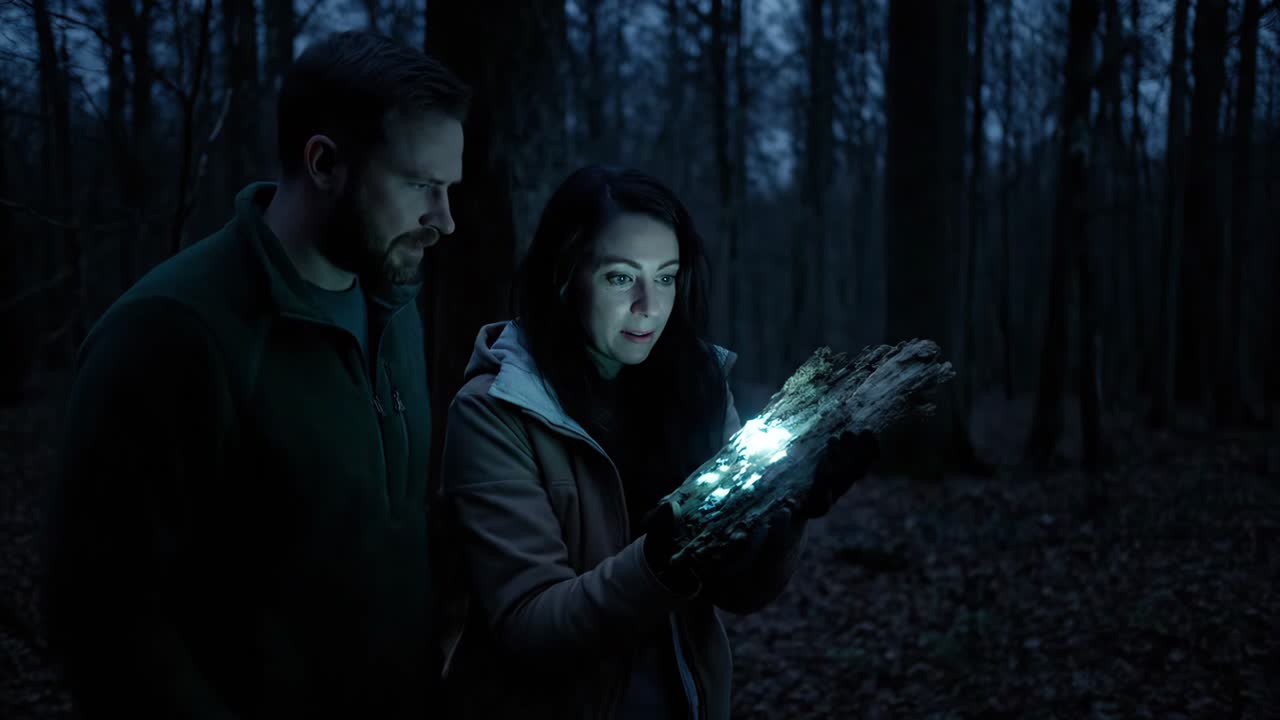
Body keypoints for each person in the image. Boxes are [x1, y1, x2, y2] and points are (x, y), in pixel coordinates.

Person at [43, 31, 469, 718]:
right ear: (324, 162)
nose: (444, 221)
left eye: (449, 189)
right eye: (420, 184)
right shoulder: (171, 333)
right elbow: (102, 616)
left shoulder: (393, 304)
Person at [438, 165, 878, 719]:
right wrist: (662, 562)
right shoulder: (495, 411)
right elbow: (530, 626)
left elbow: (741, 594)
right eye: (621, 277)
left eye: (666, 277)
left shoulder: (697, 386)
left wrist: (788, 512)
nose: (650, 305)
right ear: (565, 274)